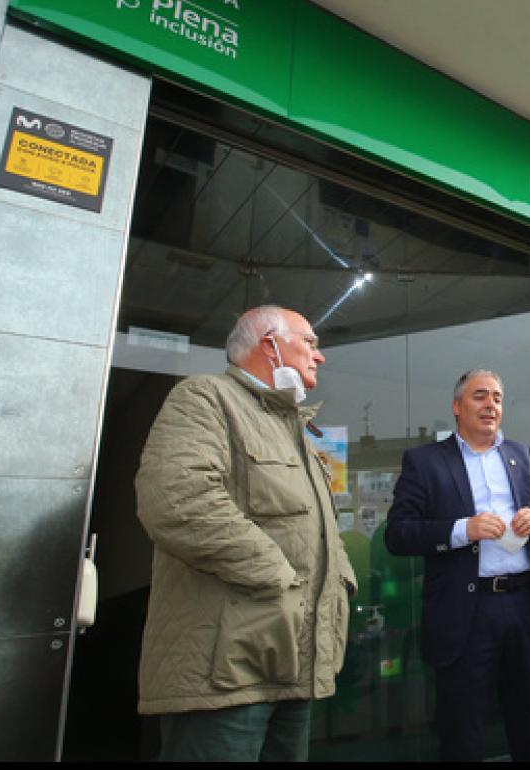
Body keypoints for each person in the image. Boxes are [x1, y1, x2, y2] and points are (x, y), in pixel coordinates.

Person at [134, 305, 357, 761]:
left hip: (294, 663)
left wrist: (337, 584)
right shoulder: (205, 398)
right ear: (270, 345)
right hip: (226, 672)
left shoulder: (298, 430)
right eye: (310, 342)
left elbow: (319, 536)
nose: (321, 356)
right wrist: (282, 577)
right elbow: (178, 501)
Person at [384, 369, 530, 762]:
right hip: (466, 611)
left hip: (525, 605)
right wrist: (463, 529)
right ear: (457, 406)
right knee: (462, 730)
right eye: (480, 396)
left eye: (497, 398)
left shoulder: (521, 454)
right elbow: (397, 533)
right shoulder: (425, 462)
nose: (491, 405)